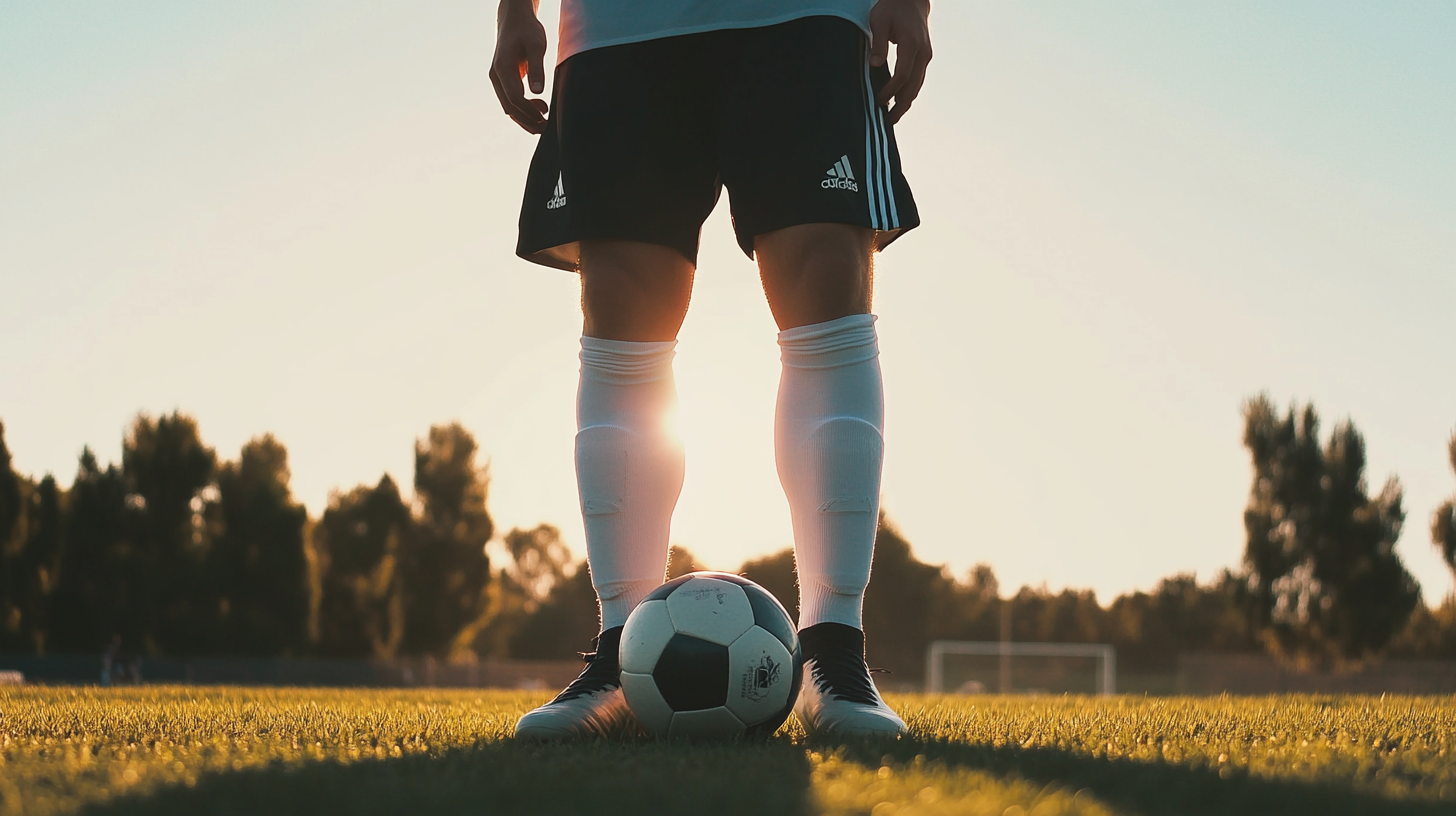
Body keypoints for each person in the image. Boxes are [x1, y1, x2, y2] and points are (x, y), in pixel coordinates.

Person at [492, 0, 931, 739]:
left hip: (805, 14)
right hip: (620, 22)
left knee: (825, 275)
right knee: (620, 298)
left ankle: (833, 648)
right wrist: (514, 12)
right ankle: (621, 651)